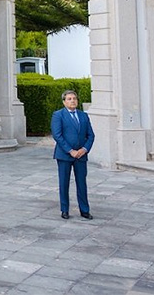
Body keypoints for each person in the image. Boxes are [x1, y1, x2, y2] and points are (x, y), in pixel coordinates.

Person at [51, 90, 95, 220]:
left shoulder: (83, 116)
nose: (72, 101)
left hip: (81, 155)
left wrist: (84, 149)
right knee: (64, 183)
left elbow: (91, 135)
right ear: (64, 102)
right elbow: (57, 135)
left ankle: (84, 210)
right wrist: (71, 151)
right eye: (69, 99)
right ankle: (65, 210)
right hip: (64, 155)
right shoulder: (58, 115)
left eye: (74, 98)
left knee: (82, 183)